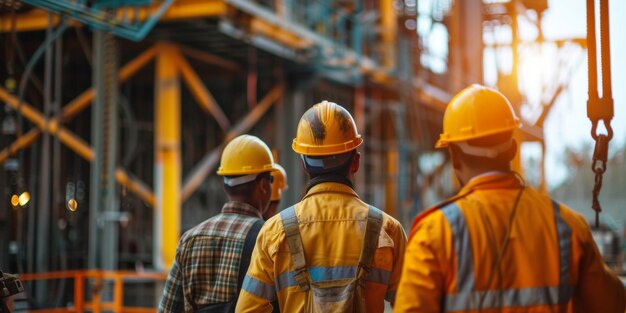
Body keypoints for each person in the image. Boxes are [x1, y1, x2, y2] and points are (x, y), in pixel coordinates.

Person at [395, 84, 626, 312]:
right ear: (513, 148)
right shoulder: (568, 226)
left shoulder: (434, 233)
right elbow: (613, 305)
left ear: (454, 156)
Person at [236, 101, 407, 312]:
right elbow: (412, 305)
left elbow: (247, 310)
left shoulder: (274, 232)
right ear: (355, 162)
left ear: (304, 164)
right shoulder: (388, 230)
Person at [159, 134, 278, 312]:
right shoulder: (270, 238)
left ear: (225, 186)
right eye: (271, 180)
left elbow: (167, 309)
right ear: (263, 185)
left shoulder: (189, 240)